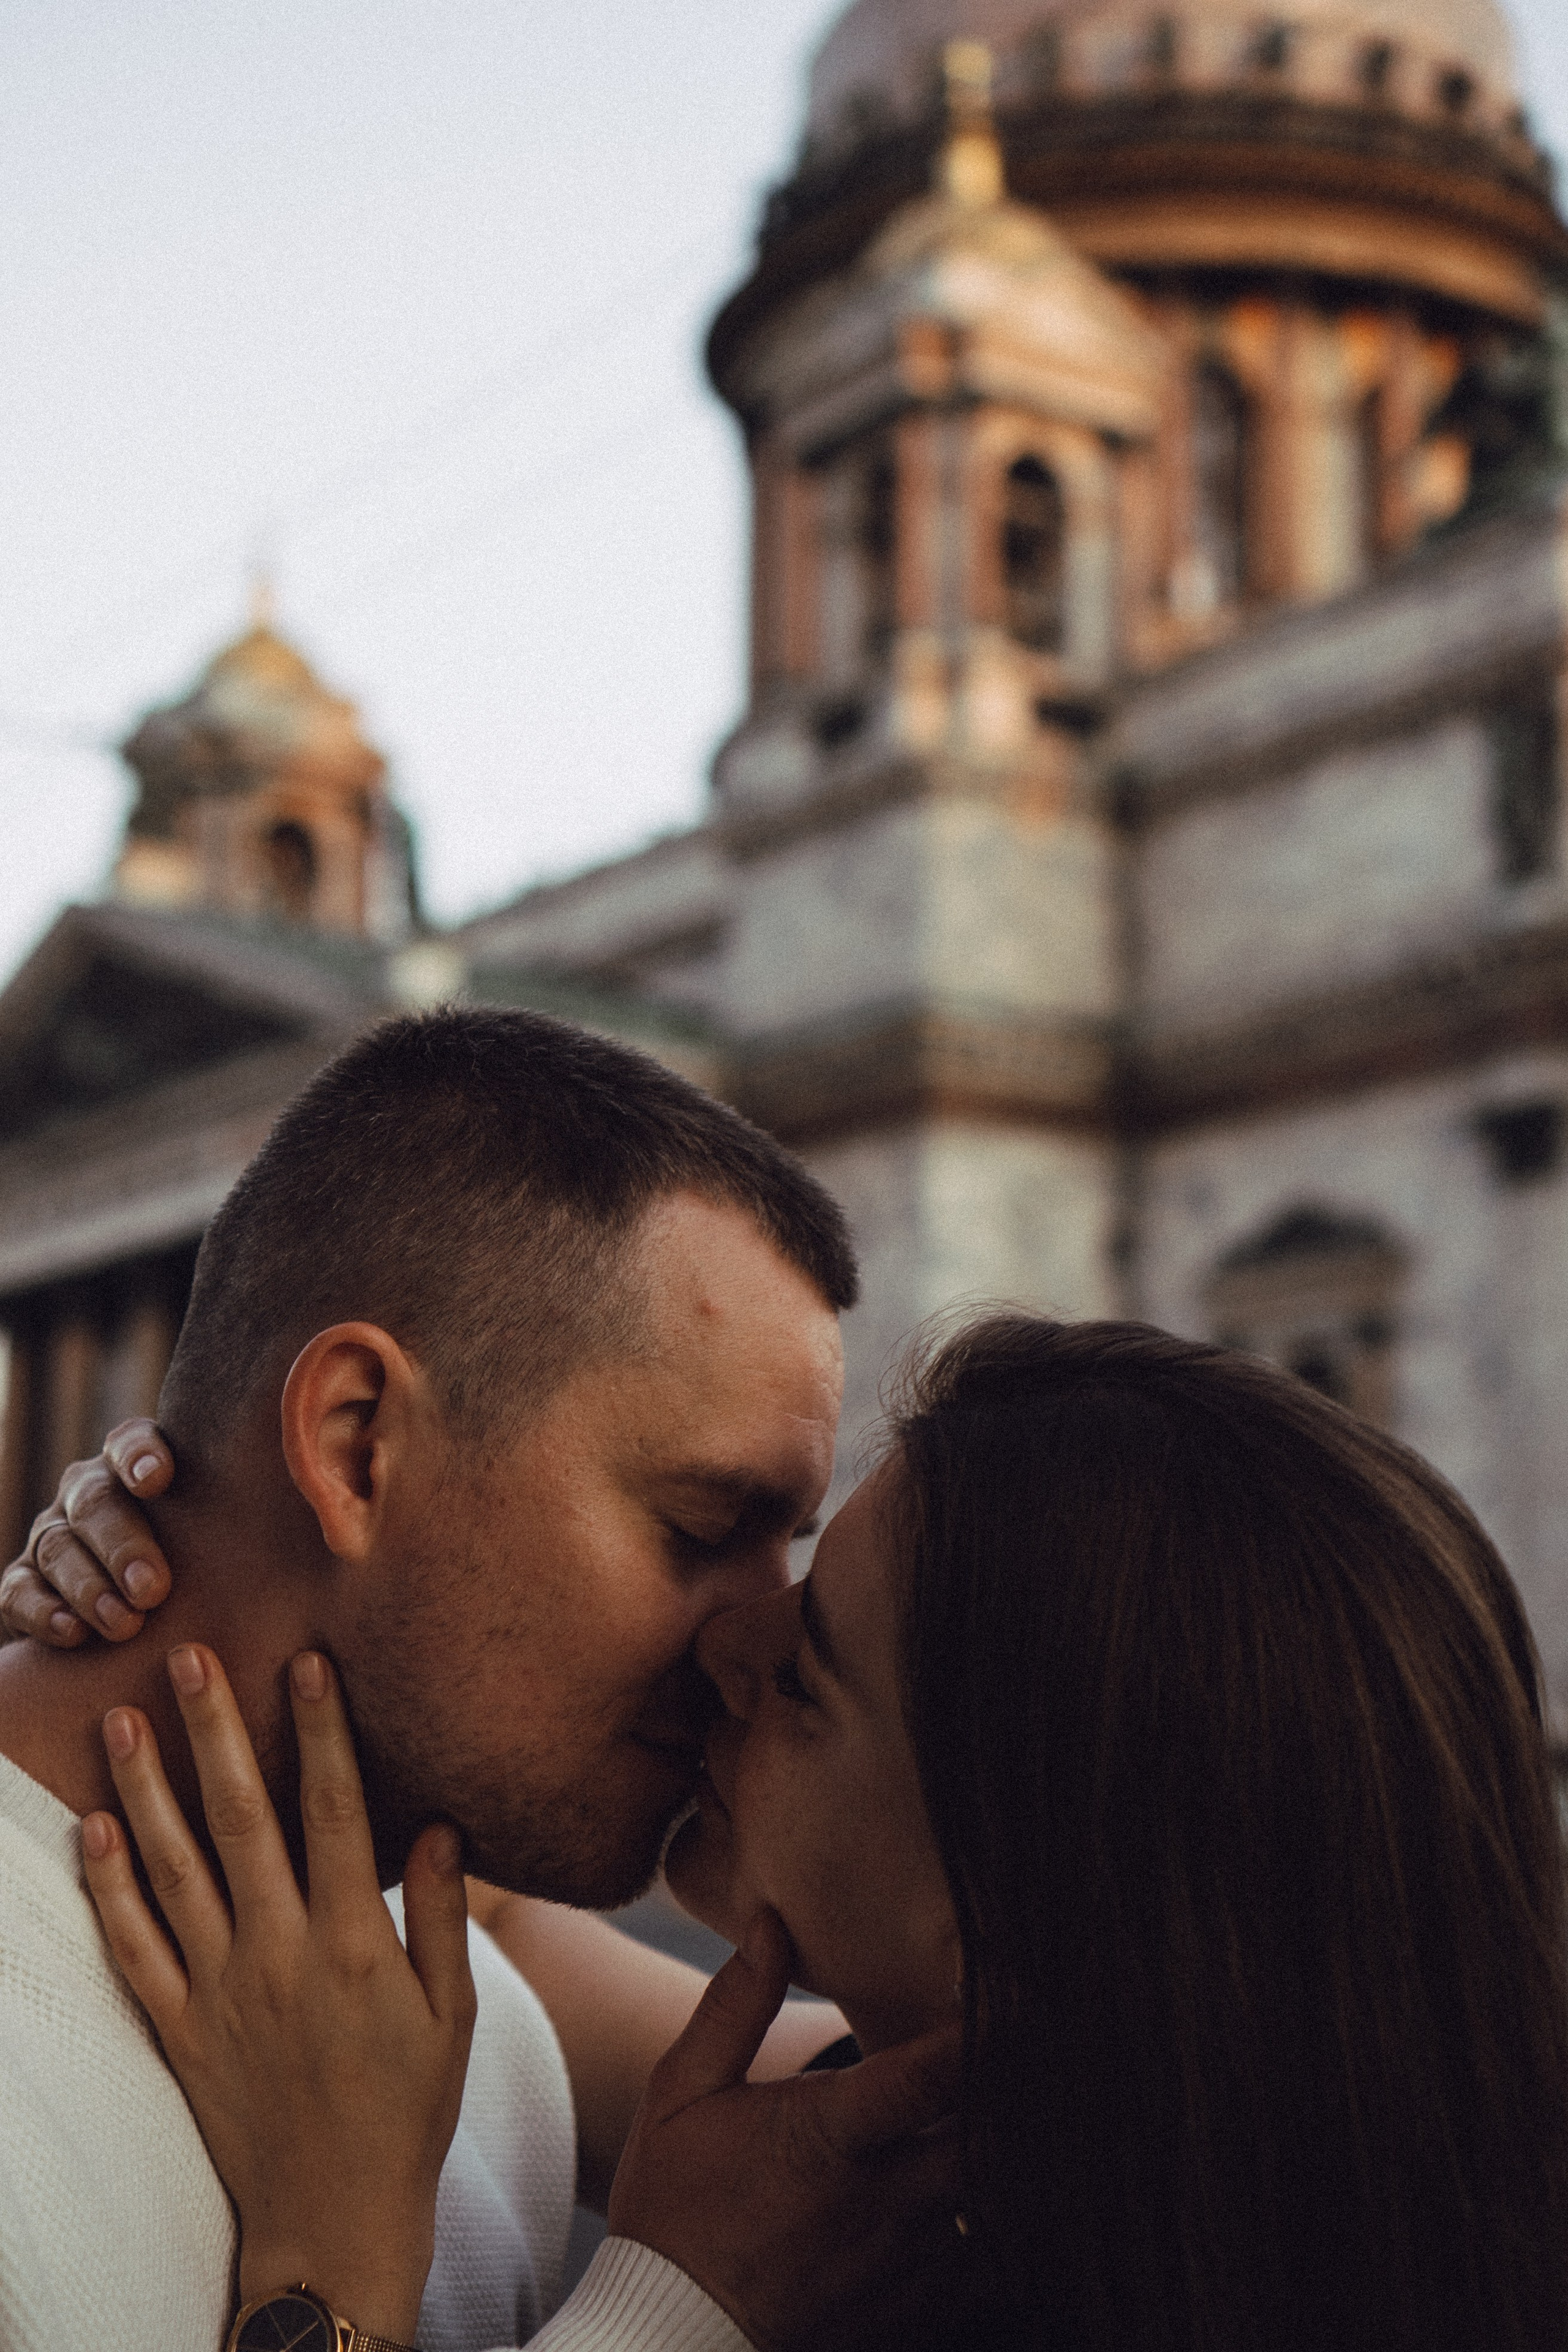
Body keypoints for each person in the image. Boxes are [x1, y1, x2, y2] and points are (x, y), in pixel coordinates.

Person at [28, 1315, 1568, 2351]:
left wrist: (338, 2278)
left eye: (812, 1668)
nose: (725, 1645)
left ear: (1010, 1910)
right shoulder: (958, 2133)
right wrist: (209, 1570)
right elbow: (480, 1909)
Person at [0, 1006, 959, 2352]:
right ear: (354, 1448)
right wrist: (670, 2313)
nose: (755, 1641)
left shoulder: (455, 2006)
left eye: (784, 1547)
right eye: (700, 1531)